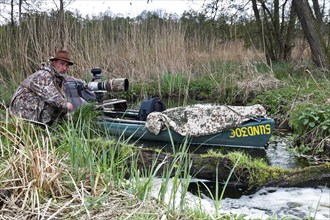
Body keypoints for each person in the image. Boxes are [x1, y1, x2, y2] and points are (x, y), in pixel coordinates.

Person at [10, 50, 74, 125]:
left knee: (61, 109)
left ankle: (52, 126)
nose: (64, 68)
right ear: (53, 63)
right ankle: (39, 126)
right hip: (22, 112)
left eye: (66, 65)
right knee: (58, 105)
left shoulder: (56, 78)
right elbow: (54, 98)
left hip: (29, 109)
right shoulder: (43, 75)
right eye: (62, 64)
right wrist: (67, 105)